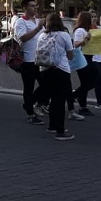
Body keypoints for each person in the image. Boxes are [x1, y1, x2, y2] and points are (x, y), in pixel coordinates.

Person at [36, 13, 75, 141]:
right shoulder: (64, 35)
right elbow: (70, 55)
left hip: (44, 69)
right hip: (60, 69)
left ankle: (52, 126)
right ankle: (60, 131)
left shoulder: (42, 35)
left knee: (52, 99)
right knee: (59, 101)